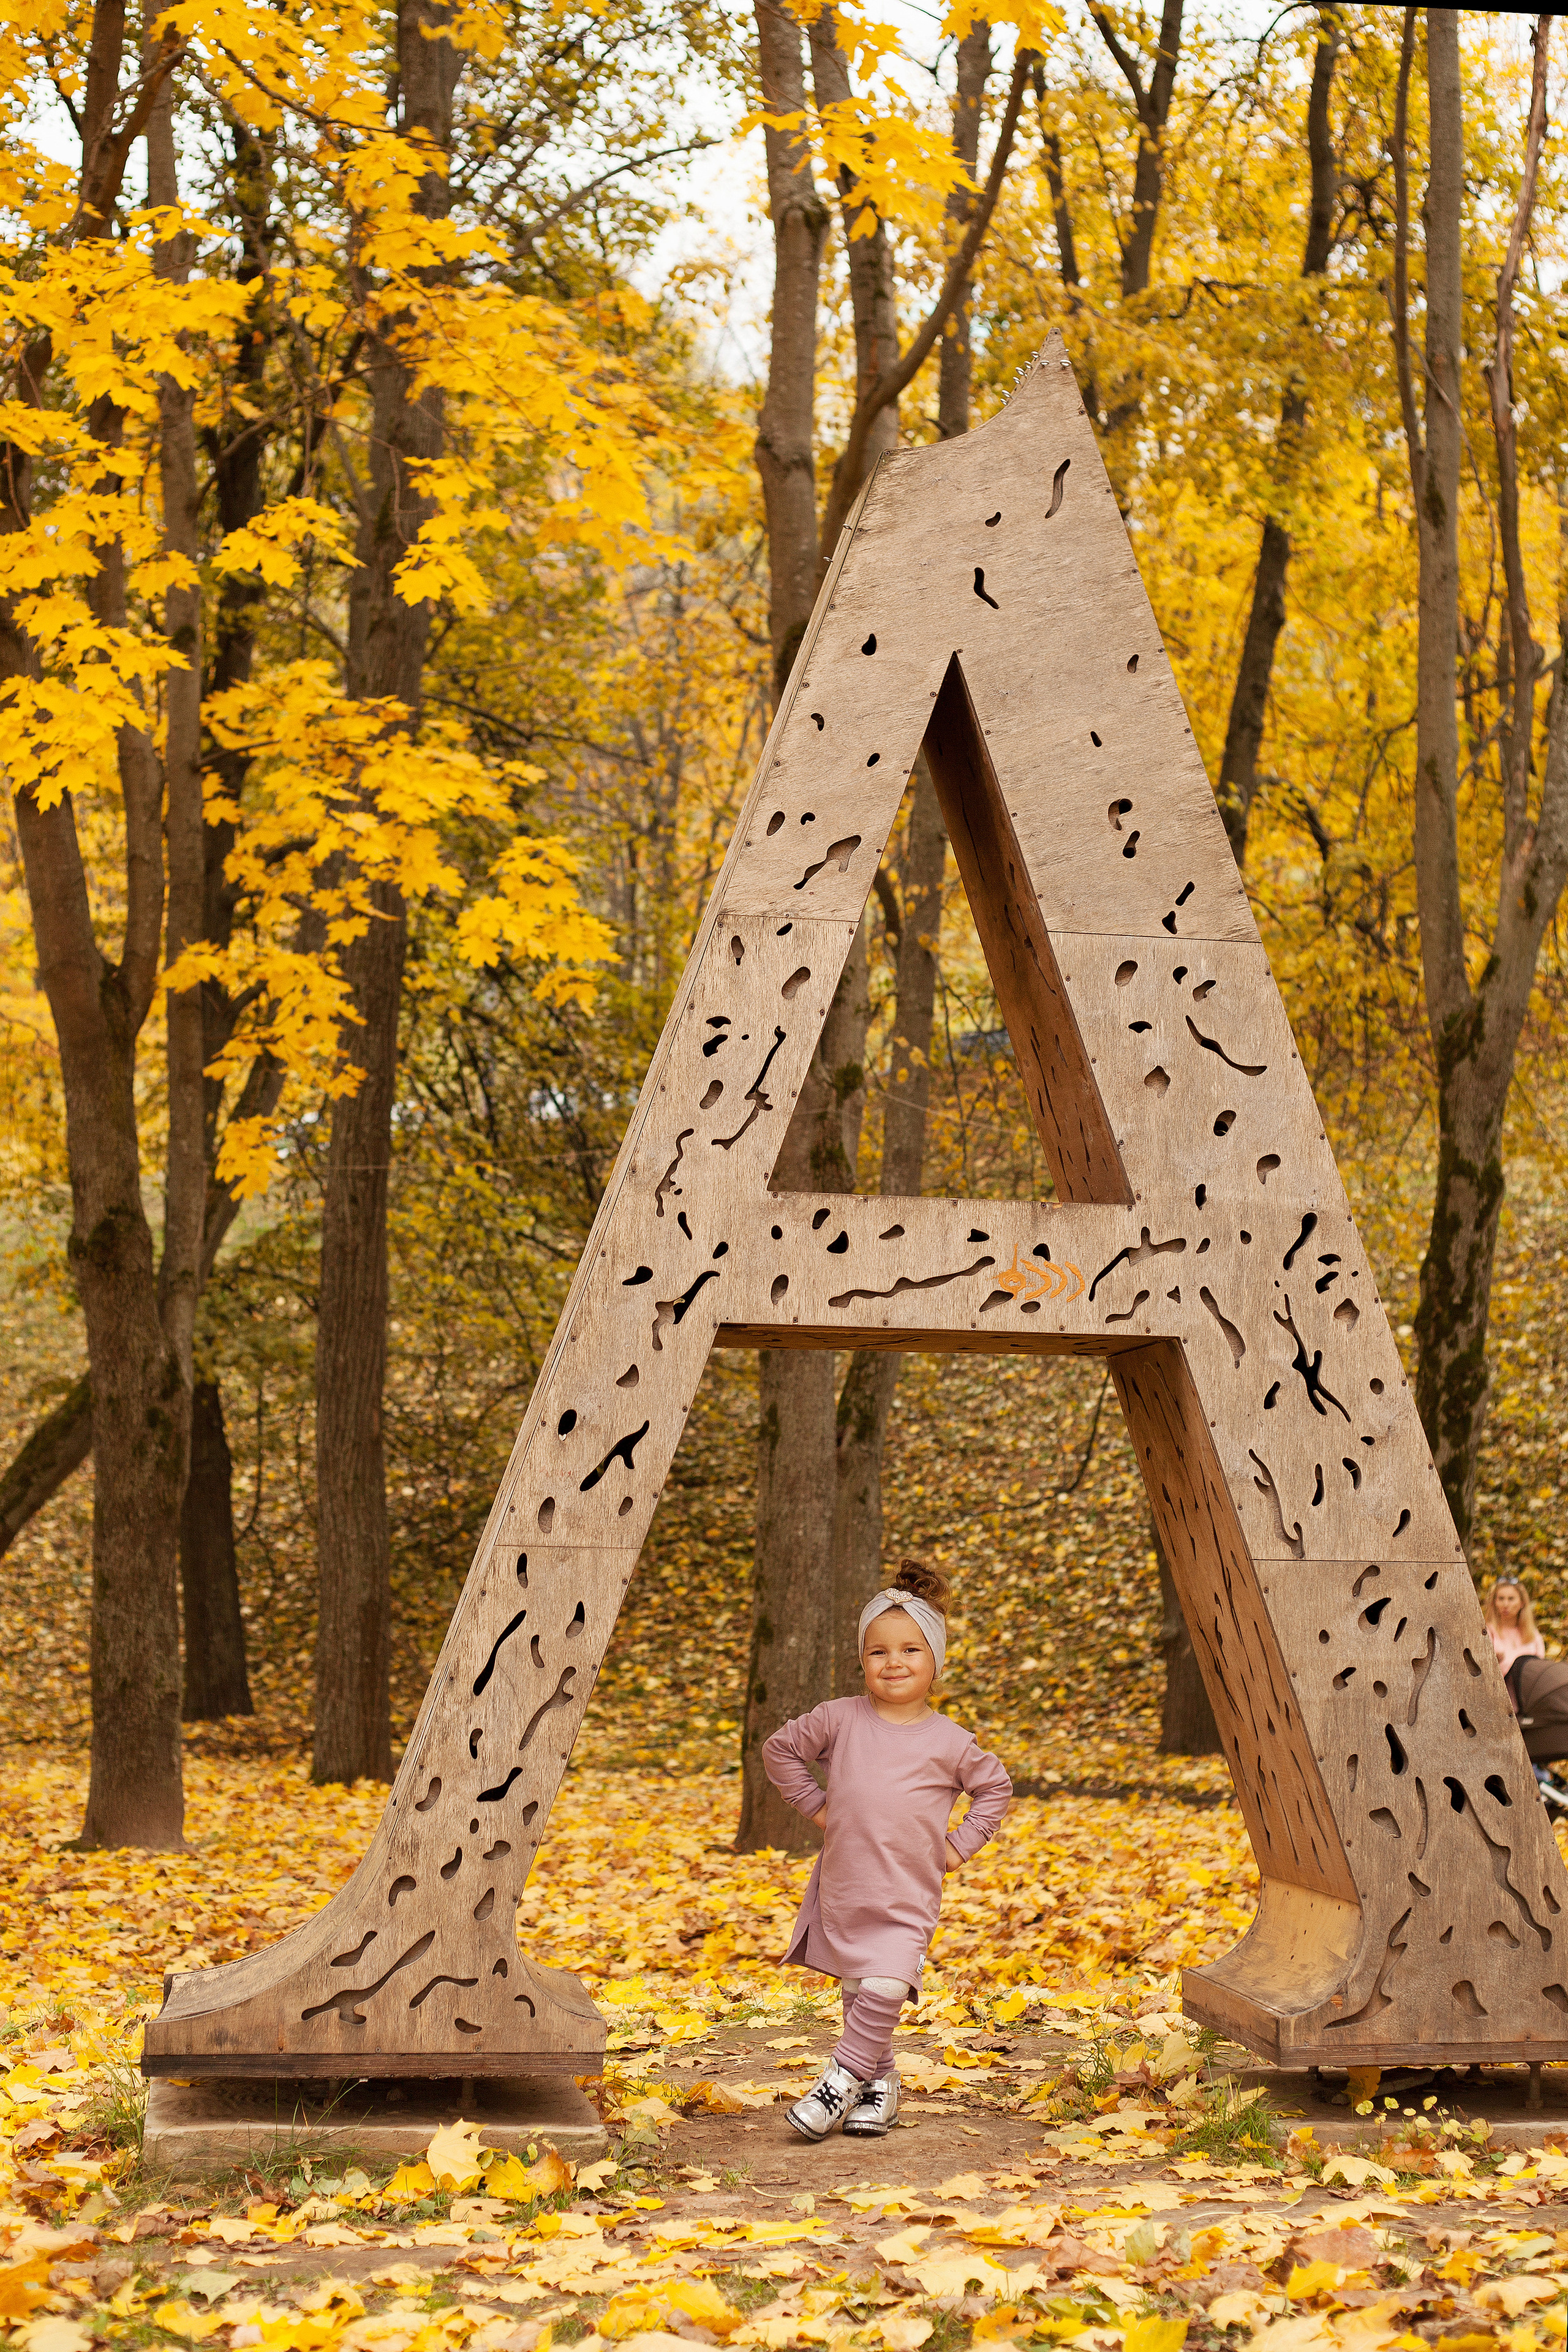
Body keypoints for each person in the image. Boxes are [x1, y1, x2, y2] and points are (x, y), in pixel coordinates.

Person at [761, 1561, 1011, 2144]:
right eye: (878, 1652)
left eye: (910, 1651)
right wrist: (816, 1806)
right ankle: (883, 2086)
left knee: (886, 1985)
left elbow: (995, 1789)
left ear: (936, 1662)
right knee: (858, 1989)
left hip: (908, 1891)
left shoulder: (951, 1742)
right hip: (847, 1885)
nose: (893, 1663)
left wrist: (958, 1848)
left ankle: (839, 2081)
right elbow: (779, 1750)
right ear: (862, 1660)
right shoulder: (839, 1719)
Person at [1485, 1576, 1545, 1679]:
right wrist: (1491, 1661)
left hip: (1525, 1691)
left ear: (1522, 1603)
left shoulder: (1533, 1633)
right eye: (1501, 1599)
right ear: (1494, 1603)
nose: (1506, 1604)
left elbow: (1541, 1669)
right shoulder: (1487, 1632)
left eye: (1511, 1599)